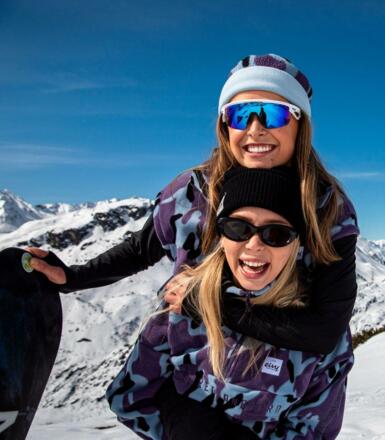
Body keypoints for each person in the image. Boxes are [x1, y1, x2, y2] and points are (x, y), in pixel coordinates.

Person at [25, 53, 359, 430]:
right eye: (239, 115)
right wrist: (74, 277)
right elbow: (143, 247)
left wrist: (206, 303)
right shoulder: (191, 193)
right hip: (194, 367)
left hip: (283, 384)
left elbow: (325, 328)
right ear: (224, 125)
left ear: (300, 125)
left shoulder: (328, 209)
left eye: (274, 114)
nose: (255, 129)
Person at [107, 167, 354, 439]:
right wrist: (183, 421)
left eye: (276, 234)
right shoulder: (180, 304)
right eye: (238, 228)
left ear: (295, 244)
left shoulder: (317, 332)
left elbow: (315, 431)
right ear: (221, 235)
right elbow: (130, 398)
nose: (254, 245)